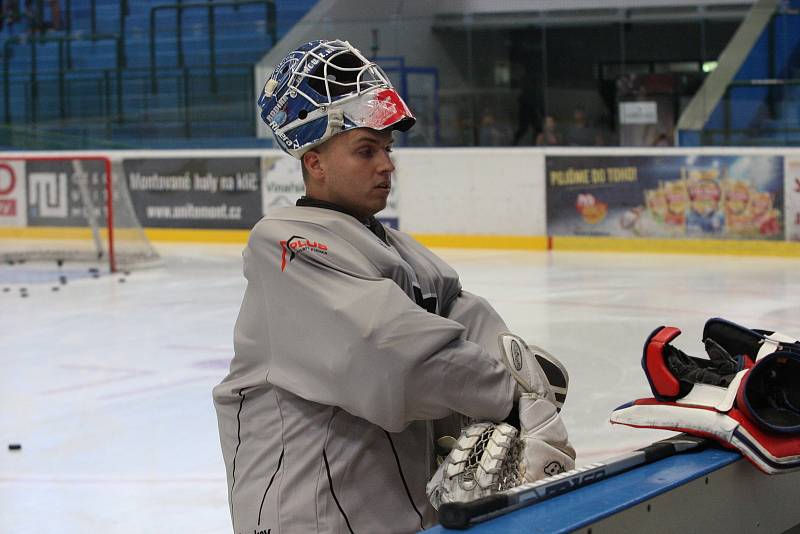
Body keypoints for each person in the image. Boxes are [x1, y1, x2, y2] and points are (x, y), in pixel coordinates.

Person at [212, 39, 574, 534]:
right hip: (307, 518)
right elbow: (389, 351)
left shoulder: (402, 253)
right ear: (314, 162)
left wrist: (523, 384)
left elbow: (471, 322)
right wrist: (511, 400)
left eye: (387, 148)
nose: (386, 165)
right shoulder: (286, 246)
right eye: (365, 150)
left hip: (396, 517)